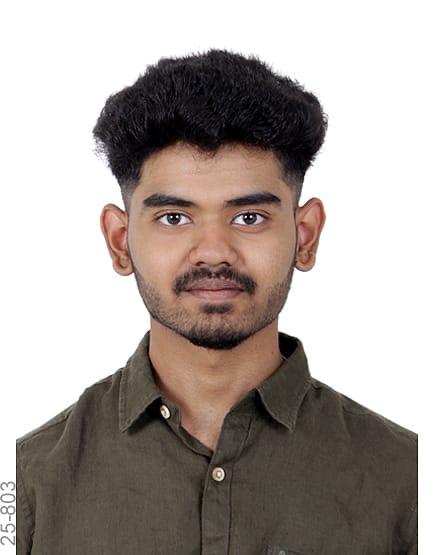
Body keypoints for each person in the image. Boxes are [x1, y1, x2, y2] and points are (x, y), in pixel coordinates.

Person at [16, 48, 417, 554]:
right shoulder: (24, 484)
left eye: (249, 217)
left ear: (305, 236)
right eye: (174, 218)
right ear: (120, 241)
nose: (213, 252)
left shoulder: (408, 481)